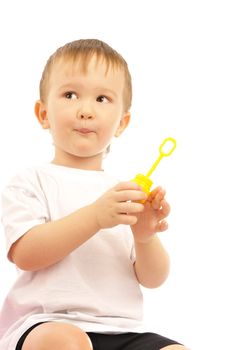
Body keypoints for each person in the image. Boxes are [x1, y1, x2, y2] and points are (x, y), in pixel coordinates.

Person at [0, 39, 189, 350]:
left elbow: (154, 279)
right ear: (43, 113)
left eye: (102, 98)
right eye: (70, 95)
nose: (86, 110)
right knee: (65, 342)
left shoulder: (125, 194)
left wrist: (144, 237)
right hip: (47, 324)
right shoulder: (30, 181)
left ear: (122, 122)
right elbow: (26, 254)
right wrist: (94, 217)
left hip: (122, 330)